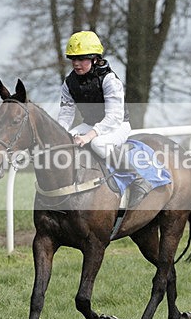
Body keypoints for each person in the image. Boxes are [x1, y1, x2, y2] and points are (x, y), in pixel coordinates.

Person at [57, 30, 152, 206]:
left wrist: (89, 136)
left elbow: (113, 118)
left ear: (95, 59)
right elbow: (66, 114)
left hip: (117, 125)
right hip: (90, 124)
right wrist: (60, 134)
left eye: (82, 59)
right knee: (66, 140)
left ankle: (138, 179)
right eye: (73, 59)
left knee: (98, 144)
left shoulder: (109, 80)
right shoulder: (69, 82)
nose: (76, 64)